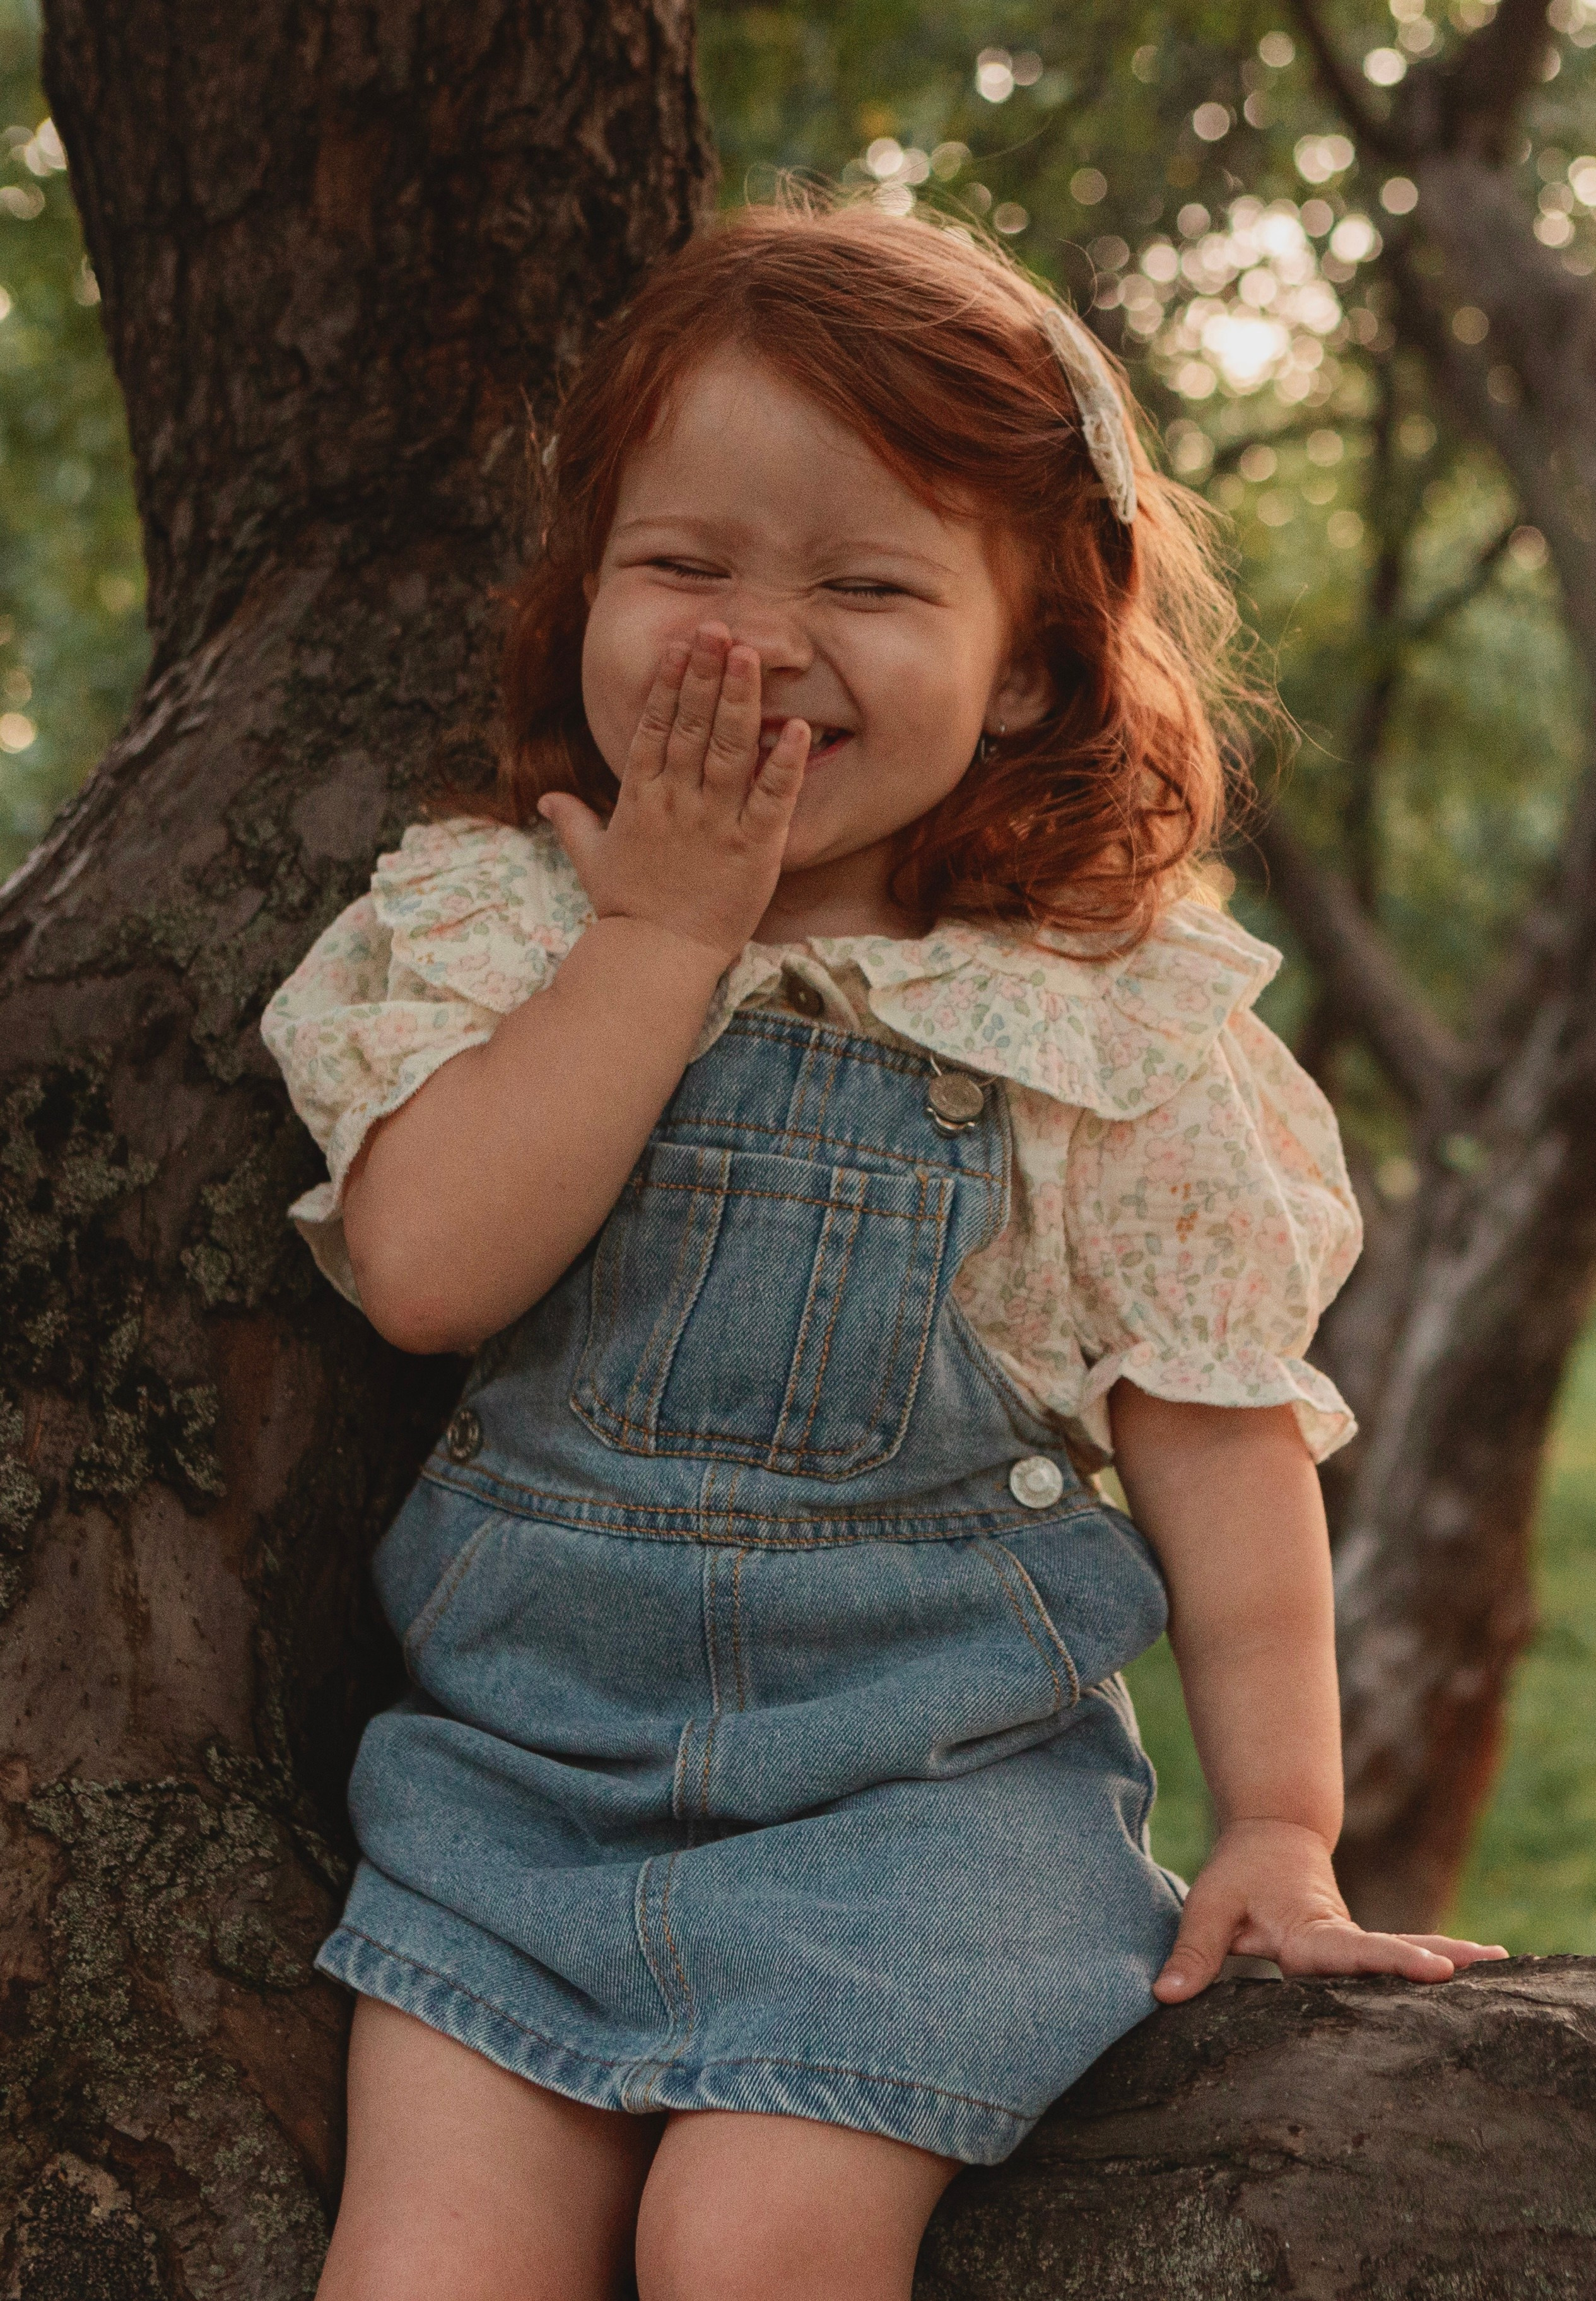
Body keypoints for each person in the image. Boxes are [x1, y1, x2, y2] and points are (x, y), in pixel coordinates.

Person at [262, 197, 1506, 2301]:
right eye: (682, 567)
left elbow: (1215, 1436)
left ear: (1023, 665)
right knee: (423, 2275)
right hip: (515, 1794)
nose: (756, 639)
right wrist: (660, 936)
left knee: (756, 2248)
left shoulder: (1094, 1026)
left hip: (923, 1821)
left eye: (865, 583)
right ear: (585, 594)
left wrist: (1283, 1825)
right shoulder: (500, 927)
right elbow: (428, 1274)